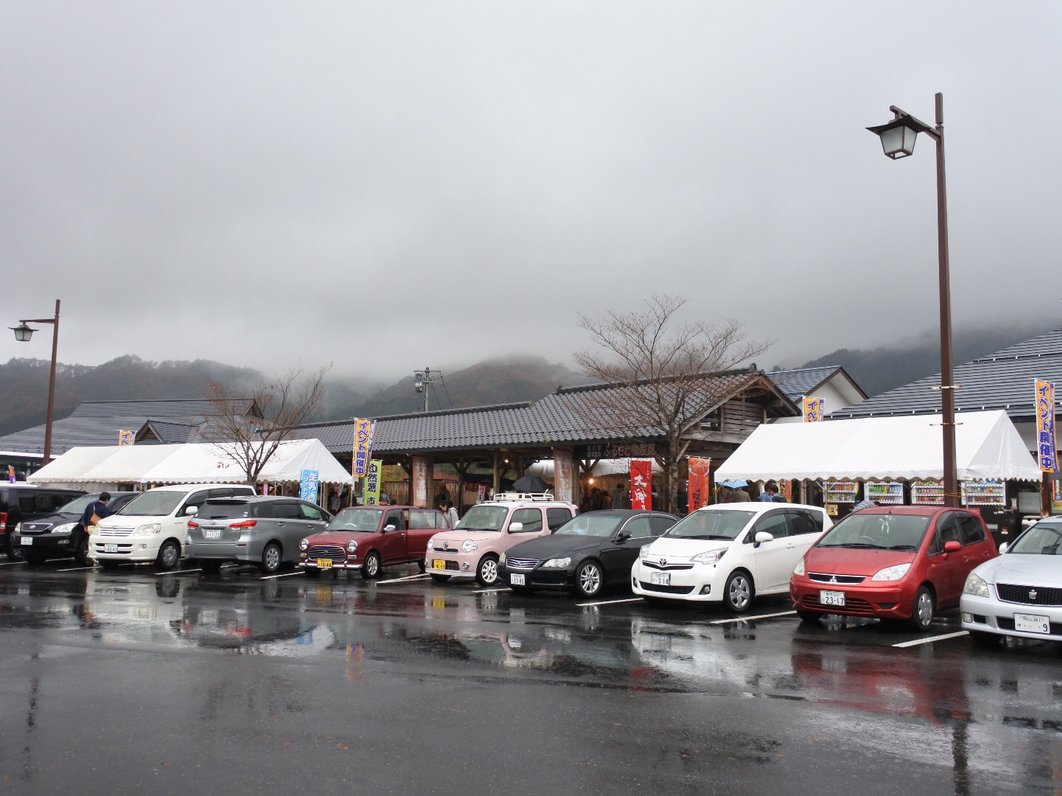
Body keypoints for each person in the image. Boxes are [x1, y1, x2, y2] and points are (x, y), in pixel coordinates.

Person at [80, 491, 113, 565]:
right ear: (107, 500)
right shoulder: (104, 508)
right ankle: (95, 558)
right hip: (98, 528)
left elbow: (85, 516)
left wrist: (85, 526)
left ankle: (89, 556)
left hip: (89, 527)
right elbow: (107, 520)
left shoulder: (91, 505)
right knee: (99, 543)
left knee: (91, 542)